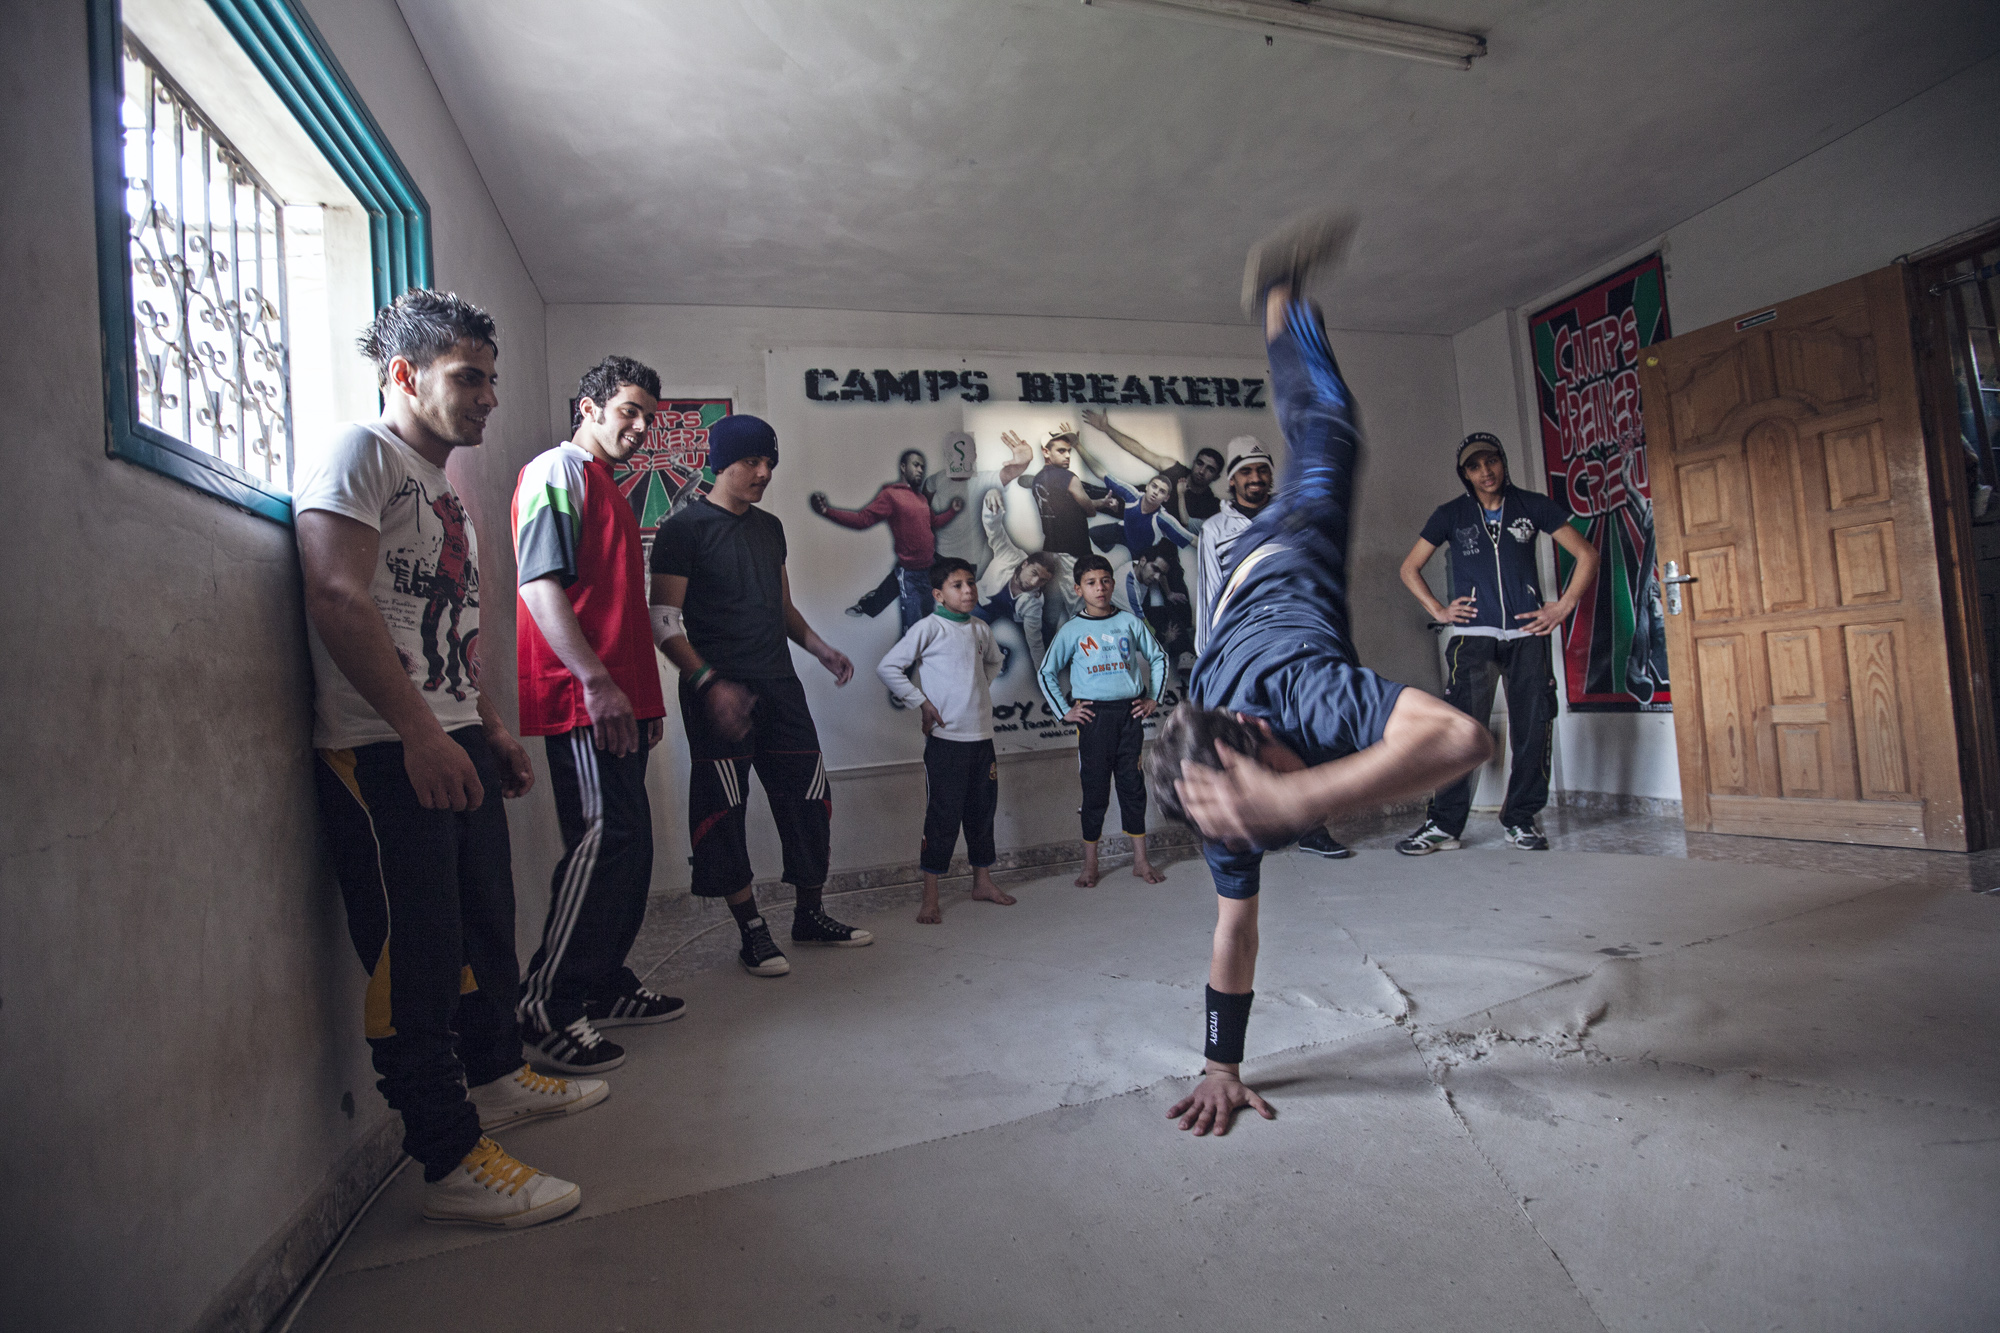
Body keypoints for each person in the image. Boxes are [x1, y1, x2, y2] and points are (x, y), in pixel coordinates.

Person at [1144, 217, 1492, 1138]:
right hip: (1238, 595)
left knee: (1328, 427)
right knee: (1240, 885)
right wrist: (1221, 1066)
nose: (1274, 821)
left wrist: (1300, 799)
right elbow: (1234, 928)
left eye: (1268, 799)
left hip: (1290, 550)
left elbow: (1465, 737)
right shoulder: (1217, 791)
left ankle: (1282, 299)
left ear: (1263, 736)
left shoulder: (1304, 696)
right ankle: (1279, 303)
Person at [295, 289, 598, 1229]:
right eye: (469, 377)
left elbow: (448, 630)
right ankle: (448, 1155)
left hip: (447, 730)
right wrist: (421, 733)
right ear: (404, 374)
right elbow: (336, 594)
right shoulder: (360, 453)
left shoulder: (441, 487)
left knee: (482, 926)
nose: (489, 397)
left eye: (490, 379)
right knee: (417, 959)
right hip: (383, 745)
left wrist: (486, 724)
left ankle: (497, 1075)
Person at [511, 355, 685, 1077]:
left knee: (632, 846)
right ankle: (546, 1003)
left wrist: (644, 701)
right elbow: (538, 584)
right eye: (629, 410)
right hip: (581, 695)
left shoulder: (607, 487)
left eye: (649, 417)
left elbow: (617, 609)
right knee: (602, 840)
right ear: (589, 407)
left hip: (618, 701)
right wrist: (595, 681)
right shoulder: (557, 470)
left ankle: (602, 982)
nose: (640, 427)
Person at [650, 414, 871, 978]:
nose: (764, 473)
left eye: (770, 462)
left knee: (809, 799)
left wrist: (819, 648)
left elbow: (782, 607)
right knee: (724, 812)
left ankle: (809, 915)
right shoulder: (683, 529)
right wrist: (709, 683)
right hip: (718, 693)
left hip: (779, 685)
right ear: (722, 462)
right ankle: (751, 930)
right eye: (752, 461)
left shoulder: (770, 527)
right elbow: (664, 621)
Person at [1394, 432, 1599, 855]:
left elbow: (1587, 555)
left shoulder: (1533, 506)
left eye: (1491, 461)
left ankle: (1521, 819)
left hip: (1528, 635)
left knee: (1533, 727)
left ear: (1503, 462)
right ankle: (1443, 825)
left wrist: (1563, 606)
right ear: (1465, 474)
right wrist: (1439, 610)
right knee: (1460, 733)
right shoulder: (1451, 514)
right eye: (1475, 466)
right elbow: (1410, 567)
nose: (1485, 472)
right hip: (1474, 639)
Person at [1192, 444, 1351, 861]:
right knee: (1244, 740)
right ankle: (1248, 833)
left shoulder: (1289, 515)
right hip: (1240, 650)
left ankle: (1312, 827)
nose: (1256, 479)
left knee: (1304, 733)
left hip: (1293, 640)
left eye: (1262, 470)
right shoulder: (1215, 529)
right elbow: (1209, 595)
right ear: (1232, 480)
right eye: (1247, 472)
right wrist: (1210, 658)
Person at [876, 558, 1016, 924]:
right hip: (946, 742)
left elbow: (995, 662)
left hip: (982, 738)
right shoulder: (928, 628)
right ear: (938, 595)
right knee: (942, 818)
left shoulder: (980, 628)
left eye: (971, 583)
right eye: (958, 585)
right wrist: (921, 702)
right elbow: (888, 667)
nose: (968, 590)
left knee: (982, 814)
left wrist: (979, 688)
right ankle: (930, 897)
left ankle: (982, 883)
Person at [1038, 554, 1170, 889]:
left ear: (1113, 584)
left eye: (1105, 581)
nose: (1100, 588)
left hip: (1129, 715)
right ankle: (1090, 864)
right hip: (1093, 718)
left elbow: (1158, 657)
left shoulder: (1129, 622)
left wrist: (1153, 697)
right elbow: (1046, 672)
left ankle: (1140, 861)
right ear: (1078, 589)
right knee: (1094, 792)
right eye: (1091, 583)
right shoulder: (1073, 630)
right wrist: (1064, 710)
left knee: (1133, 787)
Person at [811, 448, 963, 636]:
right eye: (916, 465)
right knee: (913, 632)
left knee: (927, 625)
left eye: (922, 467)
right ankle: (867, 607)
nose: (920, 470)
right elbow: (862, 520)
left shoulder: (922, 499)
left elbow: (935, 522)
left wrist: (952, 511)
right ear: (903, 467)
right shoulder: (891, 495)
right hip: (910, 574)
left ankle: (867, 605)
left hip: (928, 571)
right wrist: (827, 511)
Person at [1079, 408, 1225, 525]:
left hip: (1151, 535)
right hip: (1127, 502)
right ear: (1194, 463)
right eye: (1200, 463)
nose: (1202, 471)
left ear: (1216, 476)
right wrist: (1106, 428)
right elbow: (1139, 451)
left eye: (1210, 469)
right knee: (1079, 492)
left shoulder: (1210, 504)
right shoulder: (1175, 470)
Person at [972, 488, 1060, 668]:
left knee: (1043, 636)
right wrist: (991, 496)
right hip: (985, 605)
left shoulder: (1034, 602)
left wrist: (1042, 675)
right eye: (1034, 573)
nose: (1034, 583)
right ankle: (998, 652)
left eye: (1042, 580)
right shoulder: (1008, 554)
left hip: (1015, 615)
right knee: (960, 636)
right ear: (1025, 564)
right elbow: (994, 529)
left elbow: (1035, 643)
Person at [1028, 425, 1122, 566]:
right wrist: (1096, 504)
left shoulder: (1037, 479)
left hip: (1050, 551)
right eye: (1061, 451)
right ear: (1046, 452)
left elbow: (1072, 508)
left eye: (1069, 451)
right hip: (1075, 553)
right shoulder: (1069, 478)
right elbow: (1090, 511)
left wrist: (1103, 502)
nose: (1067, 456)